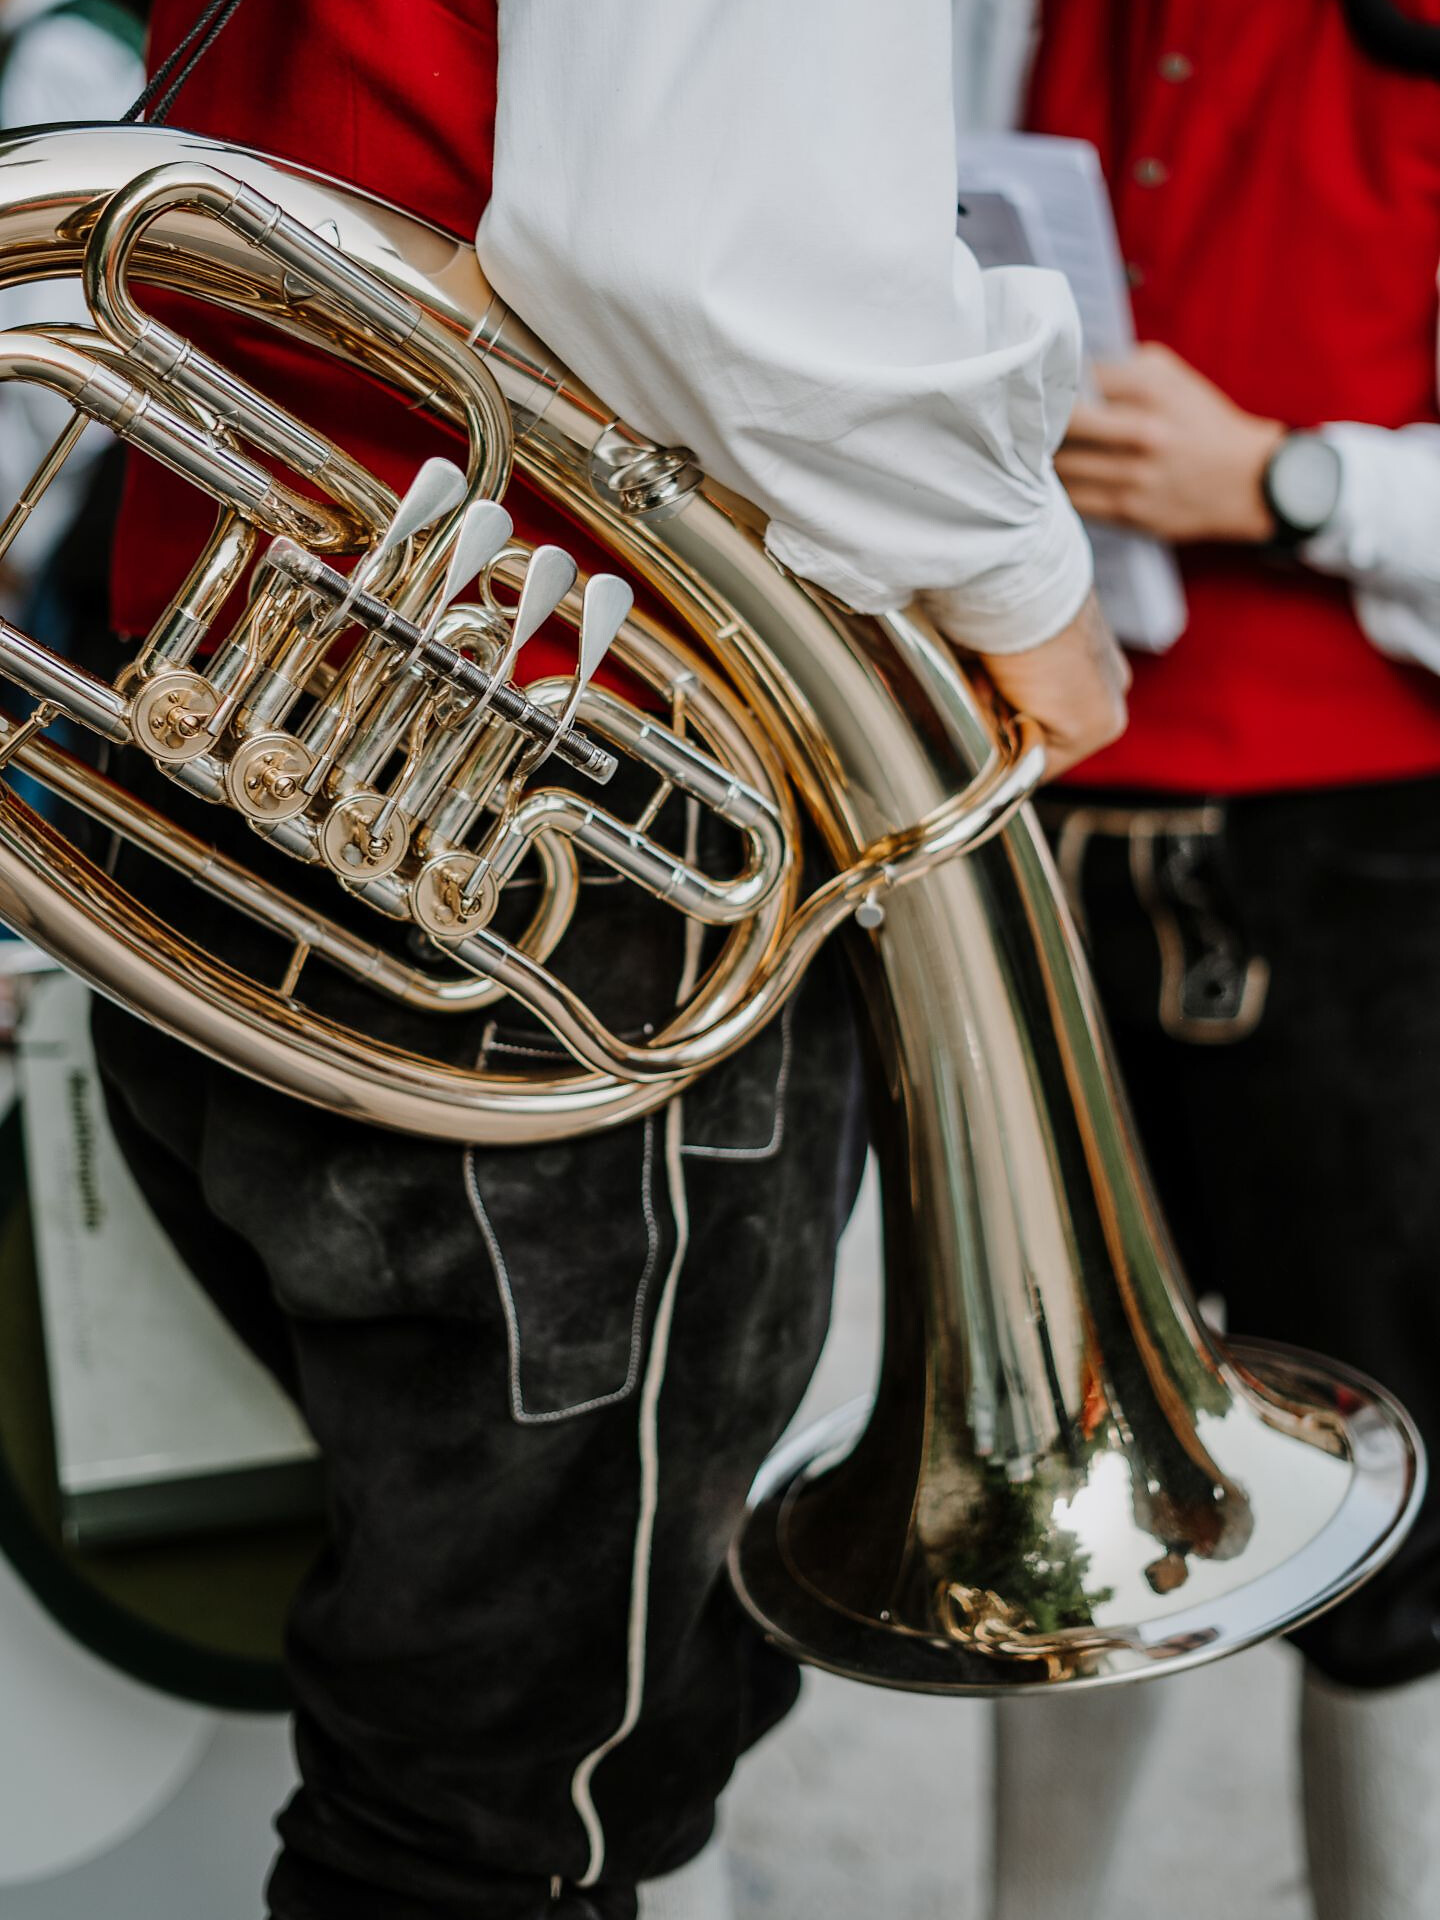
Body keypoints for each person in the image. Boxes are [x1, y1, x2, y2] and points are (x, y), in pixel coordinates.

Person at [88, 5, 1129, 1918]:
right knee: (515, 1805)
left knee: (501, 1724)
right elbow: (725, 274)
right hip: (567, 839)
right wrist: (1026, 583)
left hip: (236, 754)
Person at [972, 4, 1440, 1918]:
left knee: (1402, 1509)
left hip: (1364, 852)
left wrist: (1290, 479)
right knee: (1058, 1491)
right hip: (1042, 813)